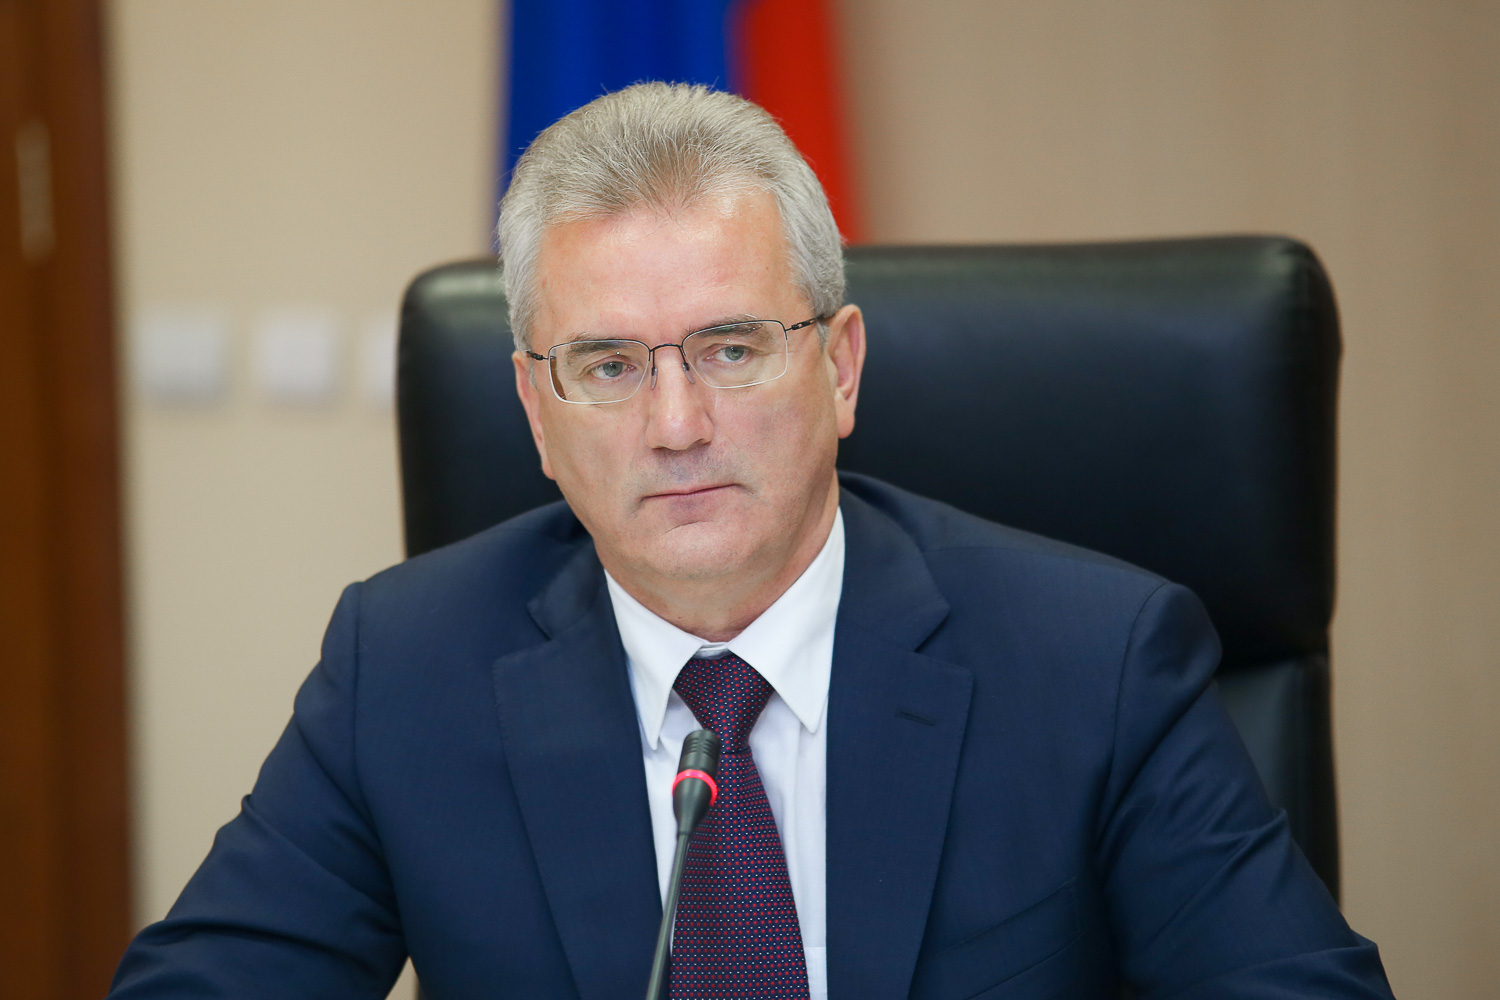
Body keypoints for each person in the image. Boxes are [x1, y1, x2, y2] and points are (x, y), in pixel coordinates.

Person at [109, 83, 1394, 999]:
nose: (677, 425)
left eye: (730, 348)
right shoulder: (402, 668)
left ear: (839, 368)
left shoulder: (1094, 662)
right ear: (537, 416)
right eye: (608, 365)